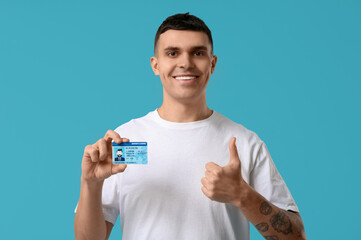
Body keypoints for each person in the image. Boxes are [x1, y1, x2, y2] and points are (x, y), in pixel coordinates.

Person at [74, 12, 306, 240]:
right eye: (172, 53)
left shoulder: (244, 142)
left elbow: (297, 237)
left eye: (198, 52)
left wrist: (243, 195)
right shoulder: (124, 141)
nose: (185, 63)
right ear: (155, 65)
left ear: (212, 63)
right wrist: (91, 184)